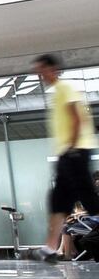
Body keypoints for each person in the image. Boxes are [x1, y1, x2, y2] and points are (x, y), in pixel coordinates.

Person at [31, 54, 99, 263]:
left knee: (88, 198)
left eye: (41, 69)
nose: (39, 74)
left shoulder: (66, 88)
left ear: (53, 69)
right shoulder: (56, 92)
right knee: (57, 201)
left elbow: (78, 117)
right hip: (67, 153)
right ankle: (50, 248)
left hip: (74, 151)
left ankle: (50, 247)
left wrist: (71, 146)